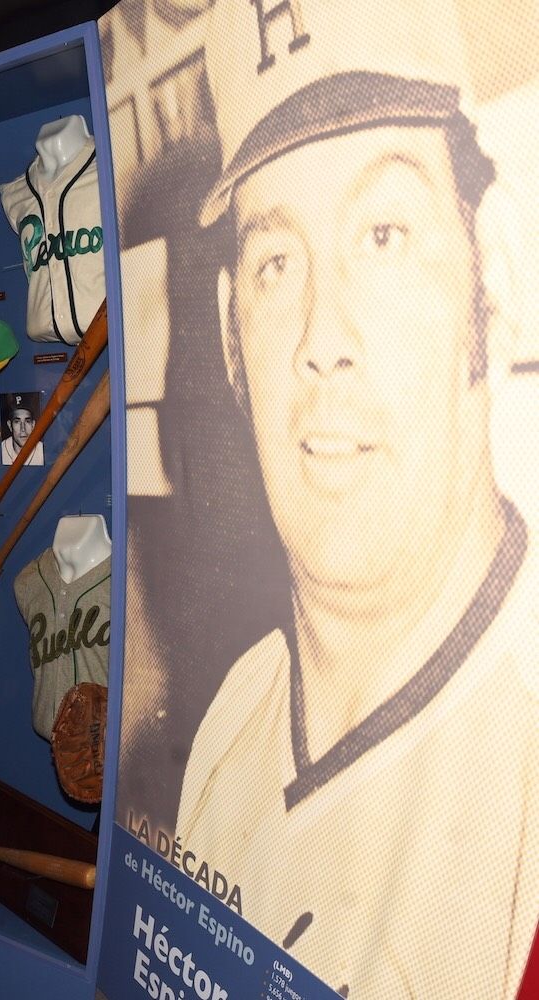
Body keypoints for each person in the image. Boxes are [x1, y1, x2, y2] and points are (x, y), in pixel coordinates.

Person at [171, 2, 538, 997]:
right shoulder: (234, 717)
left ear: (492, 275)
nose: (320, 335)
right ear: (231, 333)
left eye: (383, 233)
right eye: (277, 260)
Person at [0, 394, 39, 466]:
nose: (23, 429)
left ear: (33, 425)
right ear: (10, 425)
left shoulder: (42, 451)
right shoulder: (0, 450)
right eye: (17, 422)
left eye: (27, 421)